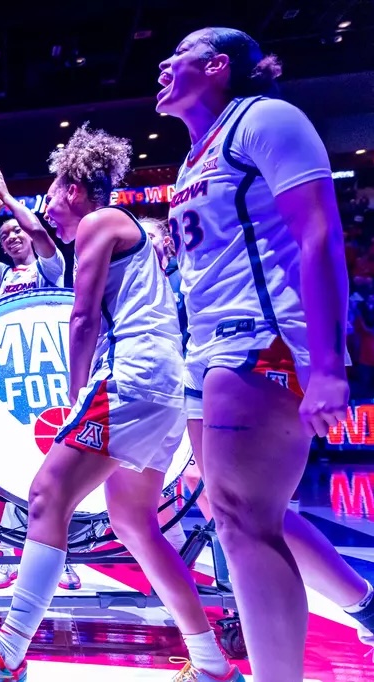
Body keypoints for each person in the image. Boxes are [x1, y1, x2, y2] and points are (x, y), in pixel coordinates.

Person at [0, 127, 244, 682]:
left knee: (47, 493)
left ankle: (6, 654)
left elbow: (82, 316)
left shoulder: (100, 221)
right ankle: (213, 664)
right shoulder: (124, 231)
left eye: (50, 194)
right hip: (161, 389)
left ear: (74, 188)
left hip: (131, 381)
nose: (47, 207)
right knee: (133, 524)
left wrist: (75, 390)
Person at [159, 29, 373, 676]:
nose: (163, 64)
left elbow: (318, 233)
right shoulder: (193, 156)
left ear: (218, 66)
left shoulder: (267, 119)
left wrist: (330, 366)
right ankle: (365, 608)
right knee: (236, 510)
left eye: (180, 54)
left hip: (264, 335)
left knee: (241, 519)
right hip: (205, 345)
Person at [0, 169, 81, 591]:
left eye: (16, 231)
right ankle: (5, 554)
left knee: (53, 472)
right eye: (5, 234)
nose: (11, 237)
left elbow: (41, 233)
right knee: (10, 469)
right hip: (15, 376)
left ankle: (61, 559)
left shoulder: (52, 265)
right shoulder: (2, 276)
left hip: (51, 374)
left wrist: (10, 199)